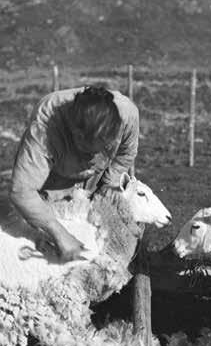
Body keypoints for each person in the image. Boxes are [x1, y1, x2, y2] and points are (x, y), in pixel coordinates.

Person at [10, 85, 139, 261]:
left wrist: (109, 182)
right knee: (46, 240)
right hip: (54, 177)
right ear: (76, 135)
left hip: (98, 176)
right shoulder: (45, 128)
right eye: (91, 151)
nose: (95, 157)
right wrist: (58, 231)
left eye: (105, 147)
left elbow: (126, 153)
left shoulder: (127, 114)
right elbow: (22, 191)